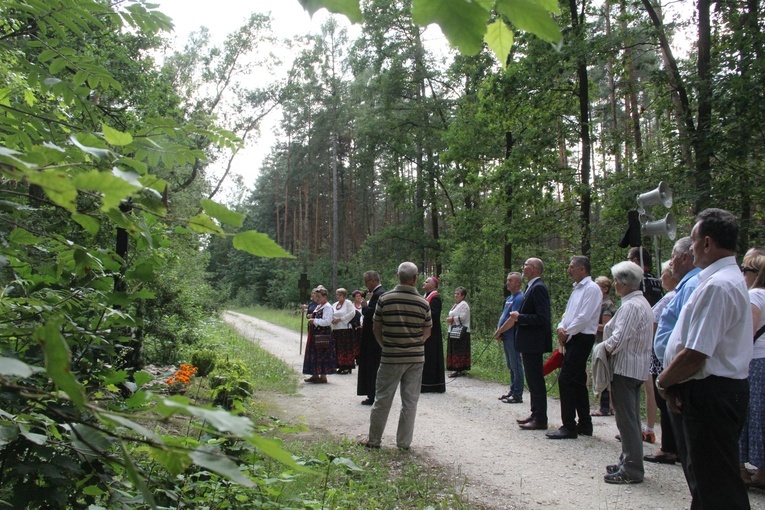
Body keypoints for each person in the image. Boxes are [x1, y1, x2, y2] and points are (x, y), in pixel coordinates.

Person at [657, 208, 752, 509]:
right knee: (706, 481)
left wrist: (664, 381)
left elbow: (696, 353)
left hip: (712, 394)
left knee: (717, 486)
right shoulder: (719, 280)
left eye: (694, 239)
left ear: (707, 243)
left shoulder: (718, 285)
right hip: (709, 391)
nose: (691, 246)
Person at [360, 262, 432, 450]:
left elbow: (376, 327)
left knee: (382, 398)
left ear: (397, 276)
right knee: (410, 402)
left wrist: (386, 345)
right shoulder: (424, 303)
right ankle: (404, 443)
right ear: (415, 278)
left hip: (391, 357)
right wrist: (415, 344)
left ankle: (374, 441)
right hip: (415, 358)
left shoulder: (385, 299)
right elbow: (427, 330)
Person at [645, 236, 700, 466]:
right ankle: (672, 446)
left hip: (676, 367)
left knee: (670, 406)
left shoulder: (690, 287)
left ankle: (670, 448)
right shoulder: (681, 289)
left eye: (673, 260)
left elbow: (688, 335)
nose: (665, 273)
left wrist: (667, 378)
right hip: (668, 362)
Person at [600, 261, 654, 484]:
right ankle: (627, 459)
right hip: (634, 367)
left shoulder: (631, 306)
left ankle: (632, 469)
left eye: (615, 281)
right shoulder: (641, 302)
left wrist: (600, 349)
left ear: (624, 283)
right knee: (629, 417)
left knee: (627, 420)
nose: (613, 284)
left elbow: (619, 339)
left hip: (625, 368)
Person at [547, 256, 601, 440]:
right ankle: (585, 423)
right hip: (572, 336)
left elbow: (584, 317)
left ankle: (568, 425)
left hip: (582, 337)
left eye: (572, 267)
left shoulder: (592, 289)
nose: (569, 270)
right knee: (577, 380)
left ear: (582, 269)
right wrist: (561, 328)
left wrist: (567, 332)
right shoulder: (577, 289)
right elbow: (568, 314)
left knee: (566, 379)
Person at [512, 258, 552, 431]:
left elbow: (542, 317)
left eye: (526, 265)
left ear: (534, 269)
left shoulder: (539, 288)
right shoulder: (531, 287)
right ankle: (535, 413)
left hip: (534, 342)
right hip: (528, 342)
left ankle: (540, 417)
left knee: (536, 379)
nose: (523, 268)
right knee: (532, 379)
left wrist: (520, 318)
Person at [627, 247, 660, 445]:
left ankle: (646, 429)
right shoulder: (657, 279)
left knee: (645, 385)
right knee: (650, 386)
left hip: (644, 337)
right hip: (657, 336)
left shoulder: (641, 281)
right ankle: (648, 426)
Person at [739, 247, 765, 488]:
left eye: (746, 269)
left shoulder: (754, 295)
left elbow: (749, 332)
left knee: (748, 414)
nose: (741, 272)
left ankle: (742, 469)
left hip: (755, 362)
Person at [494, 272, 525, 404]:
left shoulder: (519, 298)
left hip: (513, 335)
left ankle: (517, 394)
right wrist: (499, 332)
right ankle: (512, 390)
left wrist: (500, 331)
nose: (507, 283)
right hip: (506, 335)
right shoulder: (509, 298)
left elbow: (512, 320)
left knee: (516, 364)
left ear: (518, 282)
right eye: (507, 280)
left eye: (510, 280)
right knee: (510, 365)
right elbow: (504, 316)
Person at [357, 271, 385, 405]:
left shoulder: (379, 294)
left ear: (373, 281)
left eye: (366, 282)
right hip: (372, 336)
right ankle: (372, 393)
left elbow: (372, 314)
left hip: (372, 337)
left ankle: (372, 394)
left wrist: (364, 306)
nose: (365, 285)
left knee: (372, 364)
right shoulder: (378, 293)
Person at [591, 276, 617, 416]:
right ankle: (609, 406)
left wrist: (588, 325)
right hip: (600, 342)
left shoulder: (606, 305)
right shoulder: (600, 303)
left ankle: (605, 407)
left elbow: (606, 327)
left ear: (605, 289)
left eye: (598, 286)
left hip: (603, 343)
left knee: (603, 373)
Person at [302, 286, 336, 383]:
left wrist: (315, 320)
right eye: (316, 297)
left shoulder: (328, 307)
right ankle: (315, 374)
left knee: (323, 353)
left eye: (319, 297)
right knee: (315, 353)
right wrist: (311, 316)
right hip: (315, 333)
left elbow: (327, 321)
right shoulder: (319, 306)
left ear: (324, 296)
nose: (317, 299)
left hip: (323, 333)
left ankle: (323, 375)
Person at [421, 277, 446, 393]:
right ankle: (425, 383)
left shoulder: (435, 298)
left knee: (431, 357)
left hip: (433, 333)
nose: (424, 283)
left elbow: (435, 315)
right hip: (427, 331)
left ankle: (432, 384)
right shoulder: (426, 297)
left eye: (427, 282)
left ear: (433, 286)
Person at [446, 286, 471, 378]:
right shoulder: (456, 304)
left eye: (458, 294)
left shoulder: (464, 305)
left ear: (463, 296)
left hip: (462, 332)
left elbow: (463, 318)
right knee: (454, 349)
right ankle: (457, 368)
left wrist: (452, 319)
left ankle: (458, 369)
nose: (455, 295)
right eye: (455, 293)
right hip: (453, 330)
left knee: (459, 350)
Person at [331, 288, 357, 375]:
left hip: (345, 329)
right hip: (336, 329)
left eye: (340, 295)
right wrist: (332, 320)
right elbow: (331, 313)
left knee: (345, 348)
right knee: (337, 347)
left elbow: (352, 313)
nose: (338, 296)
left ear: (344, 296)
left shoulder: (348, 303)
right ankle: (339, 365)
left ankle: (347, 366)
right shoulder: (334, 305)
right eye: (337, 295)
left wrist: (340, 319)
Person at [351, 289, 366, 362]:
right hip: (355, 327)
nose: (359, 297)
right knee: (355, 342)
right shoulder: (351, 306)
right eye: (357, 296)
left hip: (363, 327)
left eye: (360, 296)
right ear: (354, 297)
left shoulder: (364, 305)